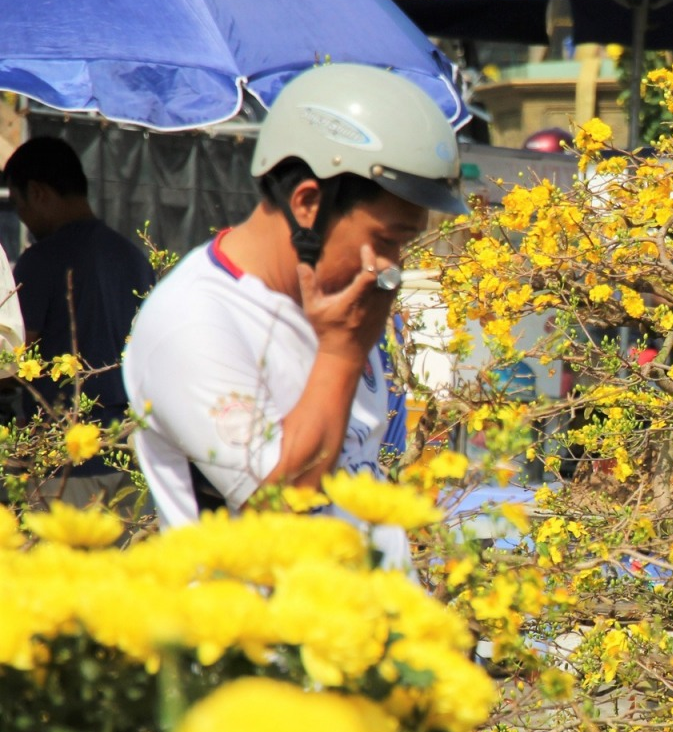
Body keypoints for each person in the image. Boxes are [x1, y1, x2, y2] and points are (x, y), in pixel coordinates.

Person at [123, 63, 467, 565]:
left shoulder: (340, 306)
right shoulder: (194, 322)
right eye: (386, 241)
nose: (391, 268)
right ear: (307, 203)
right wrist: (341, 355)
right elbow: (285, 507)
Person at [3, 137, 154, 507]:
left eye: (19, 204)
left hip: (63, 463)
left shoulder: (40, 263)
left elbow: (15, 361)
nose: (21, 217)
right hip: (132, 454)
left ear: (37, 193)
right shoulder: (134, 257)